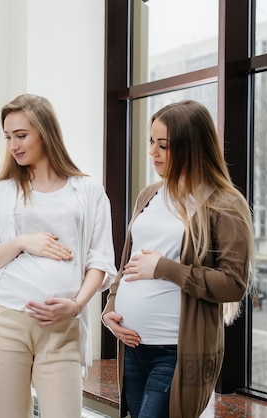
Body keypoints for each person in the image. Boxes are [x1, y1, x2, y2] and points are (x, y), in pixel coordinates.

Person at [0, 94, 117, 418]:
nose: (13, 145)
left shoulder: (87, 191)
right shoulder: (0, 193)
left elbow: (100, 261)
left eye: (21, 135)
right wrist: (21, 242)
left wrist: (76, 305)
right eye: (8, 137)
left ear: (45, 132)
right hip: (6, 321)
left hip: (63, 327)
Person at [102, 100, 255, 418]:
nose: (152, 153)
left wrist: (165, 268)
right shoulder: (149, 194)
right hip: (132, 346)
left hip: (175, 353)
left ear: (192, 148)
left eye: (164, 146)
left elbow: (233, 284)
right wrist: (111, 308)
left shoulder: (223, 203)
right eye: (151, 142)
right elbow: (129, 262)